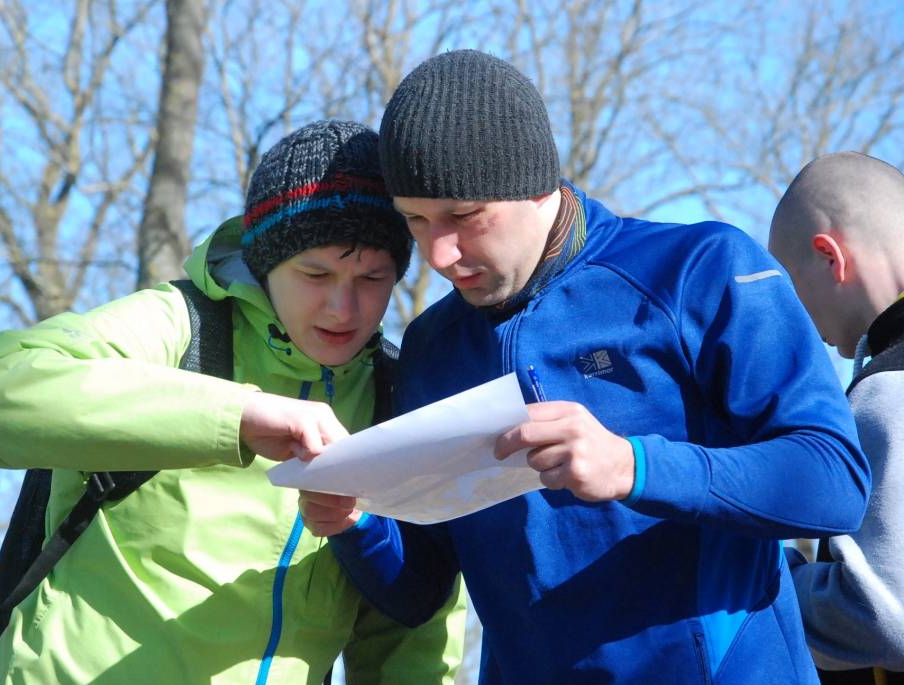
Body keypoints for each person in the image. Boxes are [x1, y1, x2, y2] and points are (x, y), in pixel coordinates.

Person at [297, 50, 871, 684]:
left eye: (464, 216)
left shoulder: (697, 269)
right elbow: (422, 590)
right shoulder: (433, 345)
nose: (440, 253)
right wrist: (358, 526)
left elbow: (834, 482)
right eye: (416, 221)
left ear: (536, 185)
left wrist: (635, 466)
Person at [0, 120, 464, 684]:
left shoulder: (394, 396)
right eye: (315, 273)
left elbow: (414, 630)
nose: (342, 308)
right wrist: (236, 417)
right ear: (266, 261)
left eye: (373, 278)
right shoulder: (183, 328)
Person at [768, 151, 904, 685]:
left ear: (830, 257)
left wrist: (766, 576)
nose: (800, 325)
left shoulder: (888, 388)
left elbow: (885, 614)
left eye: (791, 295)